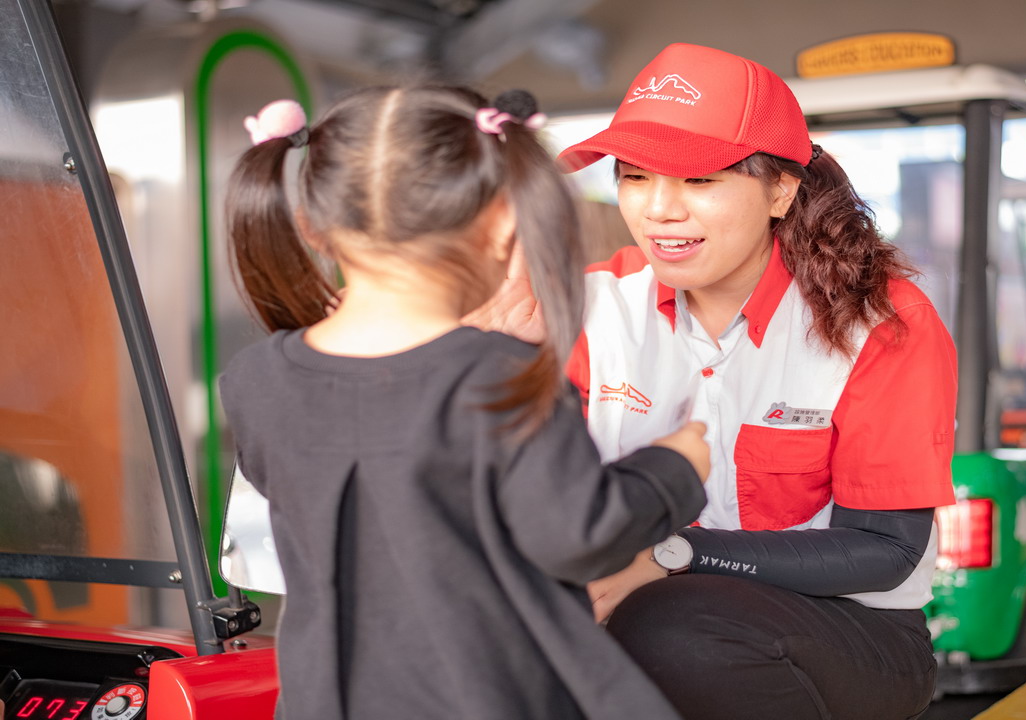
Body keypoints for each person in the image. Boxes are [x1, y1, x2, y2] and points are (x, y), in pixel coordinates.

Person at [478, 43, 958, 720]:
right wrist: (489, 369)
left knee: (673, 628)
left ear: (780, 190)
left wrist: (672, 554)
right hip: (624, 605)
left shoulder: (878, 322)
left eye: (699, 182)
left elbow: (884, 552)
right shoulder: (585, 309)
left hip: (846, 635)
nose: (658, 211)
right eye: (636, 177)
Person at [218, 86, 710, 720]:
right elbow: (579, 537)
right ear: (504, 222)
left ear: (310, 223)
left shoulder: (256, 378)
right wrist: (673, 467)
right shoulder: (498, 377)